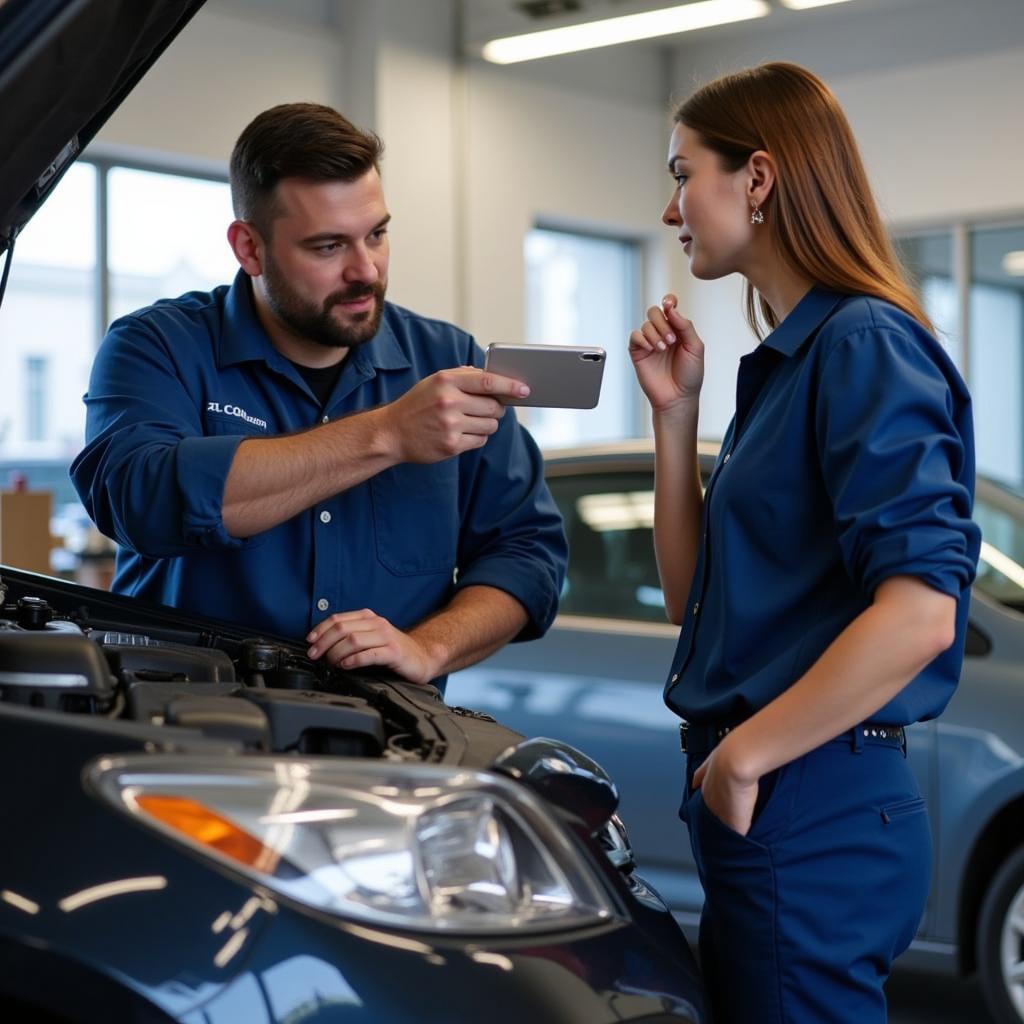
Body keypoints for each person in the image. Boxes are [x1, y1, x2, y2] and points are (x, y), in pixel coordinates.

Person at [629, 63, 980, 1023]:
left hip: (809, 791)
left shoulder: (862, 343)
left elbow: (919, 614)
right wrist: (675, 419)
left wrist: (745, 758)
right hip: (785, 790)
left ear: (759, 178)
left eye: (682, 173)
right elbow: (688, 596)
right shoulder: (792, 361)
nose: (671, 211)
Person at [71, 103, 566, 693]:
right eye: (328, 247)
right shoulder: (158, 347)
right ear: (249, 248)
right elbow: (142, 500)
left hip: (385, 743)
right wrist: (386, 435)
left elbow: (527, 554)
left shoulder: (445, 359)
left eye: (377, 235)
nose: (366, 271)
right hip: (187, 732)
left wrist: (429, 647)